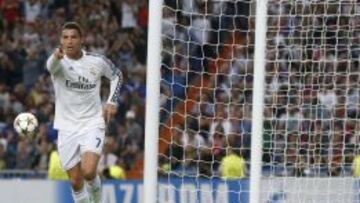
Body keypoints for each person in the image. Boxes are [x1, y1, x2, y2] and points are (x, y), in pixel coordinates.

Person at [46, 22, 123, 203]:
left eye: (73, 37)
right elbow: (51, 65)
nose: (69, 41)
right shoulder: (58, 63)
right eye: (65, 37)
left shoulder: (96, 61)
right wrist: (56, 56)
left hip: (92, 123)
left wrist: (111, 101)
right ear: (61, 41)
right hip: (66, 127)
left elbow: (117, 74)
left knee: (88, 171)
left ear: (82, 40)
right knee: (75, 181)